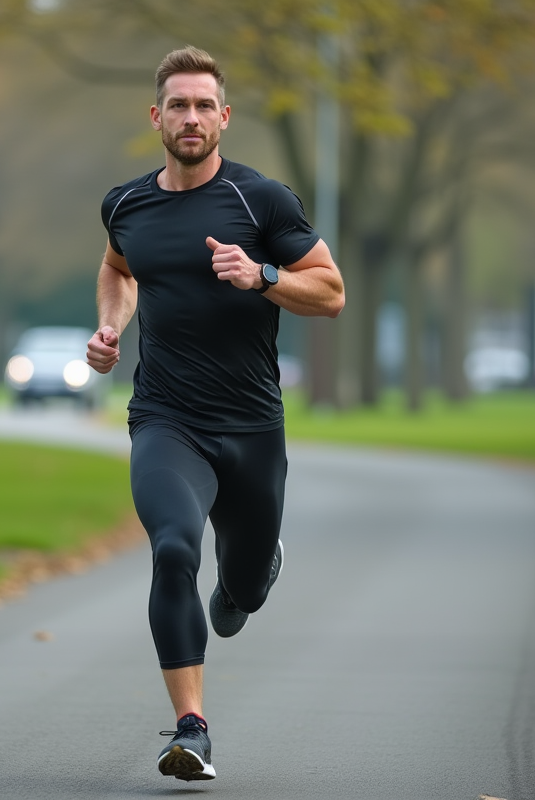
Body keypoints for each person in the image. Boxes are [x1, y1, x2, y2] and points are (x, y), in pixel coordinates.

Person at [85, 45, 344, 782]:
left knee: (246, 586)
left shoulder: (261, 201)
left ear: (224, 117)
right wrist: (111, 327)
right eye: (179, 105)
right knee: (173, 548)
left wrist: (261, 275)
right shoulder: (126, 204)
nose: (191, 117)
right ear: (156, 116)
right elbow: (118, 266)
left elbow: (330, 291)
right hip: (165, 418)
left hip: (253, 427)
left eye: (204, 105)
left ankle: (247, 579)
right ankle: (191, 728)